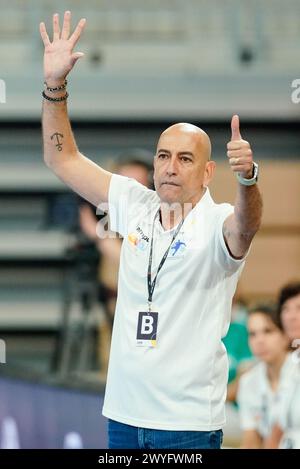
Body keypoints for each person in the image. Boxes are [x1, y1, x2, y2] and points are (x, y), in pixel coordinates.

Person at [39, 11, 262, 449]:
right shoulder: (134, 203)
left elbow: (247, 225)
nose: (169, 167)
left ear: (208, 171)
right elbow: (60, 159)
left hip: (187, 425)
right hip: (123, 415)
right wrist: (54, 87)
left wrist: (248, 179)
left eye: (184, 158)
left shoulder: (217, 223)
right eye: (163, 156)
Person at [79, 157, 152, 372]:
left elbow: (135, 261)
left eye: (138, 184)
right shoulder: (106, 214)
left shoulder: (156, 217)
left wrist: (98, 236)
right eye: (126, 183)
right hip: (115, 297)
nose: (132, 191)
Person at [237, 305, 292, 448]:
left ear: (285, 336)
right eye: (252, 334)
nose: (259, 340)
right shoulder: (248, 382)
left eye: (268, 331)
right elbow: (250, 441)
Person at [266, 282, 300, 448]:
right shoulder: (290, 364)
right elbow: (277, 429)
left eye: (299, 308)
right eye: (286, 309)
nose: (291, 316)